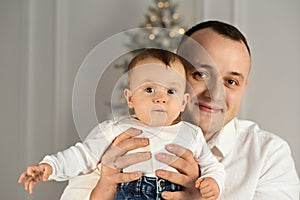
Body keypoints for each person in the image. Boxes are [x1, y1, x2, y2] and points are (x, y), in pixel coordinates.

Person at [59, 20, 299, 200]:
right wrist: (104, 190)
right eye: (200, 74)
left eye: (231, 82)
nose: (214, 92)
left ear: (244, 86)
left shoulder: (269, 155)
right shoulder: (115, 139)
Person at [18, 48, 225, 200]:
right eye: (149, 89)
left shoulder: (191, 134)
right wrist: (51, 166)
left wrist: (213, 183)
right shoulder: (115, 129)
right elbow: (83, 155)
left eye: (171, 91)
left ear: (183, 102)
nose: (161, 98)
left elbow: (212, 166)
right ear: (130, 98)